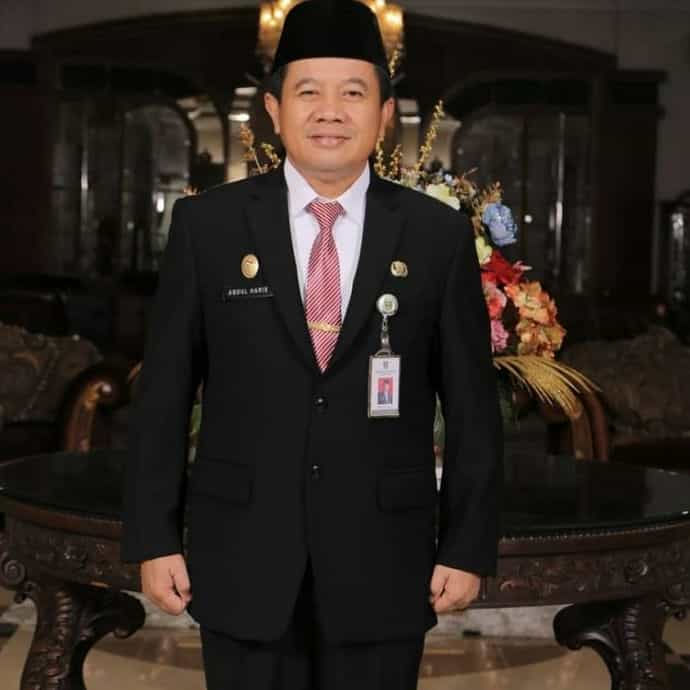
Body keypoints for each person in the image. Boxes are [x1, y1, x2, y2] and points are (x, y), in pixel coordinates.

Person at [121, 1, 504, 688]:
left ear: (384, 114)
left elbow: (473, 407)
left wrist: (467, 546)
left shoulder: (436, 235)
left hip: (385, 559)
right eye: (308, 92)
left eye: (353, 93)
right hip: (240, 553)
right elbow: (164, 395)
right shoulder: (208, 227)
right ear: (274, 109)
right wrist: (154, 538)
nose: (330, 112)